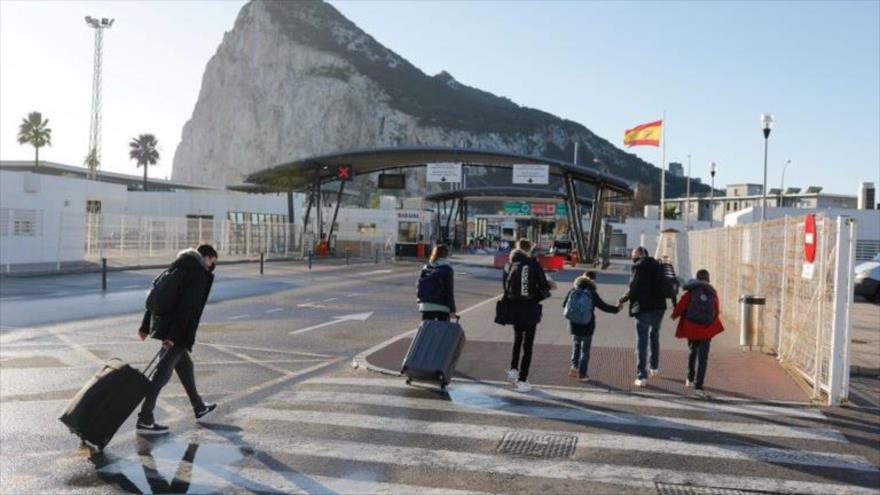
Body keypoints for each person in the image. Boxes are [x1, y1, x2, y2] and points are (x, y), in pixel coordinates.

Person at [137, 244, 218, 435]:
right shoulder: (196, 274)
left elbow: (154, 297)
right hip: (178, 332)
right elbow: (186, 309)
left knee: (185, 366)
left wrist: (144, 326)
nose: (212, 266)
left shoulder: (176, 266)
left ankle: (199, 407)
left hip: (166, 326)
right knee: (162, 374)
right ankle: (145, 418)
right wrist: (173, 338)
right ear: (206, 257)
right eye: (212, 261)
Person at [502, 239, 555, 392]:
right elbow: (543, 286)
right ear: (529, 250)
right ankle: (523, 380)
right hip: (530, 308)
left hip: (514, 307)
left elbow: (505, 287)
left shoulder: (510, 264)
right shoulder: (533, 264)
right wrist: (548, 288)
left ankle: (513, 369)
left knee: (518, 338)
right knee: (528, 344)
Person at [618, 246, 667, 387]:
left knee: (642, 342)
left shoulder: (638, 267)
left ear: (640, 254)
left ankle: (641, 376)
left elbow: (633, 287)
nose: (633, 258)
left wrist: (622, 299)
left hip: (643, 307)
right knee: (655, 335)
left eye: (634, 256)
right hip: (659, 307)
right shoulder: (658, 265)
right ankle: (654, 367)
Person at [671, 269, 724, 398]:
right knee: (703, 358)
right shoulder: (712, 293)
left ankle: (690, 377)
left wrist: (674, 315)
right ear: (708, 279)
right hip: (706, 330)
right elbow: (717, 310)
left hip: (692, 327)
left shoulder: (691, 291)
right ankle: (699, 386)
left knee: (692, 351)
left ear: (696, 278)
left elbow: (682, 305)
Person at [562, 271, 620, 382]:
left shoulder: (573, 290)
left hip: (574, 323)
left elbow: (564, 305)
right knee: (585, 350)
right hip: (587, 324)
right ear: (593, 281)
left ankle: (574, 367)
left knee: (576, 344)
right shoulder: (592, 293)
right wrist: (616, 309)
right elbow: (604, 306)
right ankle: (582, 374)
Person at [416, 245, 457, 321]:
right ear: (446, 255)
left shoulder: (426, 267)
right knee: (442, 331)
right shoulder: (447, 269)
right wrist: (452, 310)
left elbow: (419, 286)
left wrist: (419, 302)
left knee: (427, 331)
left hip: (426, 306)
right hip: (442, 307)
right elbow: (449, 291)